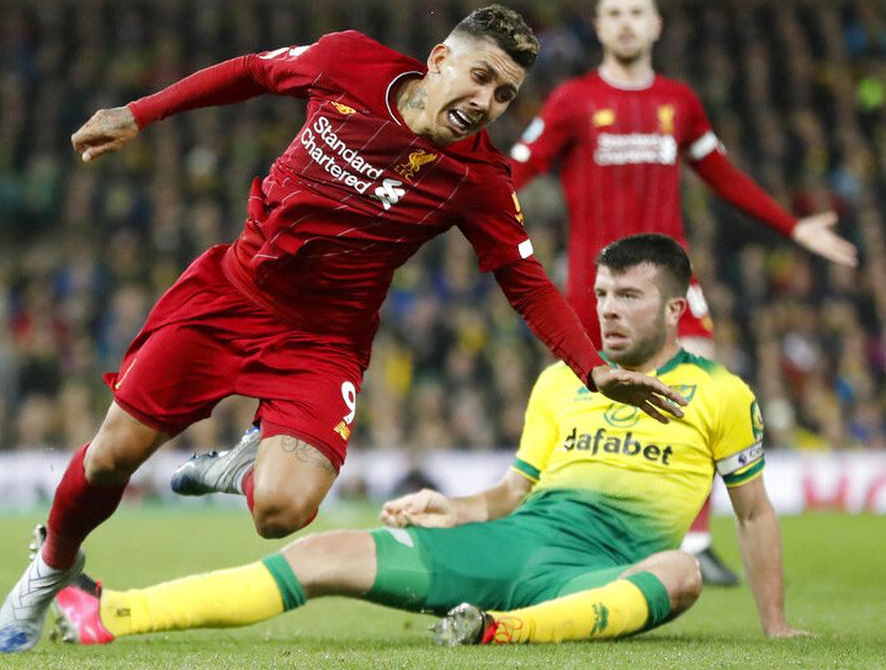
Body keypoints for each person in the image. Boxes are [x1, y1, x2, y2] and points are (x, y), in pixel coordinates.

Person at [0, 5, 689, 653]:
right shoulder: (346, 62)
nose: (485, 102)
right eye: (479, 77)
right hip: (230, 294)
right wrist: (139, 114)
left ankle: (247, 464)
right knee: (112, 456)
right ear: (440, 58)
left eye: (503, 94)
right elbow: (249, 72)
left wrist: (591, 369)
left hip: (321, 343)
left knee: (283, 512)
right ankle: (52, 567)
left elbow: (524, 279)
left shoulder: (476, 179)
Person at [51, 234, 809, 647]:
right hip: (516, 543)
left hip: (604, 570)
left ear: (675, 308)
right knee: (319, 553)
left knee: (679, 572)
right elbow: (513, 492)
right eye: (602, 293)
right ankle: (116, 612)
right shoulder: (561, 382)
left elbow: (752, 514)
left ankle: (502, 632)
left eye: (628, 296)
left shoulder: (719, 393)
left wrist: (773, 626)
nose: (606, 311)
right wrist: (450, 506)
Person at [507, 0, 858, 586]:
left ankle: (694, 541)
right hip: (597, 290)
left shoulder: (679, 102)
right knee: (584, 412)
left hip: (672, 282)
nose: (624, 22)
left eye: (636, 12)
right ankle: (568, 539)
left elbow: (721, 173)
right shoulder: (573, 101)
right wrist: (458, 203)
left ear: (656, 25)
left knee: (695, 385)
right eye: (613, 12)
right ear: (598, 25)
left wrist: (792, 227)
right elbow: (518, 169)